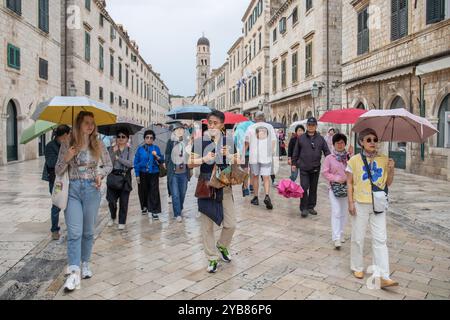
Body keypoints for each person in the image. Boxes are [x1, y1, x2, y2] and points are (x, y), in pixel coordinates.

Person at [55, 111, 113, 291]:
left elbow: (109, 165)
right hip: (72, 190)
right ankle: (74, 271)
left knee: (88, 232)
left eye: (92, 123)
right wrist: (67, 157)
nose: (90, 126)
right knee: (74, 232)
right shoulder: (67, 143)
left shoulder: (98, 144)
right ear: (79, 124)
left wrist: (100, 175)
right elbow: (57, 170)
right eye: (87, 122)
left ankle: (85, 263)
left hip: (91, 190)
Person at [188, 110, 240, 273]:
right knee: (207, 226)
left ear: (222, 125)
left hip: (224, 185)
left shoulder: (228, 141)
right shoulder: (200, 141)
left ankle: (222, 245)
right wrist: (203, 159)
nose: (211, 125)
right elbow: (189, 163)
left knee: (230, 224)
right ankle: (212, 258)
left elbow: (239, 160)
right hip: (206, 186)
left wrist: (230, 156)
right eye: (209, 123)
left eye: (215, 123)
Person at [346, 128, 398, 288]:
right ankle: (357, 266)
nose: (373, 143)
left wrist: (390, 169)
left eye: (375, 140)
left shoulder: (384, 159)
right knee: (358, 237)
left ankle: (383, 274)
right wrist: (350, 202)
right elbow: (349, 182)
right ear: (361, 142)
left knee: (380, 239)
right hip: (360, 203)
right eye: (369, 140)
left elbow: (388, 183)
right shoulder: (354, 160)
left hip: (378, 204)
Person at [291, 117, 330, 218]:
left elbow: (326, 152)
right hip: (303, 167)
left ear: (316, 126)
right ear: (307, 126)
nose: (311, 127)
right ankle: (303, 208)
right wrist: (294, 164)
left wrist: (331, 161)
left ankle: (311, 206)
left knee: (313, 188)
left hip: (315, 167)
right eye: (309, 125)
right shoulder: (301, 138)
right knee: (304, 187)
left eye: (313, 125)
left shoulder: (320, 139)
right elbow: (296, 152)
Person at [42, 125, 71, 240]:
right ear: (64, 135)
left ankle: (71, 227)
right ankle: (54, 230)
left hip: (68, 179)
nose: (70, 136)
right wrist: (65, 156)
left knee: (69, 204)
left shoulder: (69, 145)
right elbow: (51, 163)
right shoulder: (50, 146)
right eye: (69, 134)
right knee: (57, 204)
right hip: (56, 181)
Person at [322, 133, 350, 250]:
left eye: (342, 142)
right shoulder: (329, 158)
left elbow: (354, 171)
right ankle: (336, 237)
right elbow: (325, 172)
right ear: (333, 144)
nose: (340, 144)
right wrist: (336, 178)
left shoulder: (349, 157)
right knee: (336, 211)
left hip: (347, 188)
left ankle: (341, 233)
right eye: (337, 142)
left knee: (344, 212)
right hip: (334, 188)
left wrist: (350, 159)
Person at [244, 111, 277, 210]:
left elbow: (246, 142)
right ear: (264, 118)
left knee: (255, 177)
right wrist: (271, 153)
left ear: (255, 118)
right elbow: (273, 141)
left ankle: (256, 197)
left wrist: (242, 154)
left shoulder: (250, 128)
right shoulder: (269, 127)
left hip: (254, 156)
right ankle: (267, 195)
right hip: (266, 156)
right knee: (266, 177)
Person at [106, 128, 134, 230]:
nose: (121, 138)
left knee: (124, 201)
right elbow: (108, 163)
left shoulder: (130, 150)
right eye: (119, 136)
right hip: (113, 176)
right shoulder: (110, 149)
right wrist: (113, 154)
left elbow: (130, 163)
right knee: (111, 201)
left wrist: (119, 159)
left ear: (127, 139)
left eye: (123, 137)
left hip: (125, 177)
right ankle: (113, 216)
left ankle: (122, 221)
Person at [134, 130, 165, 221]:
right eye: (147, 137)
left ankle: (154, 211)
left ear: (153, 139)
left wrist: (157, 156)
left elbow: (161, 160)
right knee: (143, 191)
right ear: (144, 138)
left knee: (154, 191)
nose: (149, 139)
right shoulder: (140, 149)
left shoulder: (156, 148)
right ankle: (144, 206)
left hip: (154, 173)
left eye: (151, 138)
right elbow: (136, 163)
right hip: (142, 173)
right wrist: (137, 175)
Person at [165, 123, 191, 223]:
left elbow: (190, 156)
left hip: (184, 171)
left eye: (181, 129)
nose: (180, 130)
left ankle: (179, 208)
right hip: (174, 172)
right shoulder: (170, 142)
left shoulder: (187, 142)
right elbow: (167, 155)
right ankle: (177, 214)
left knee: (182, 193)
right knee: (175, 194)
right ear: (174, 131)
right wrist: (168, 166)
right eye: (177, 129)